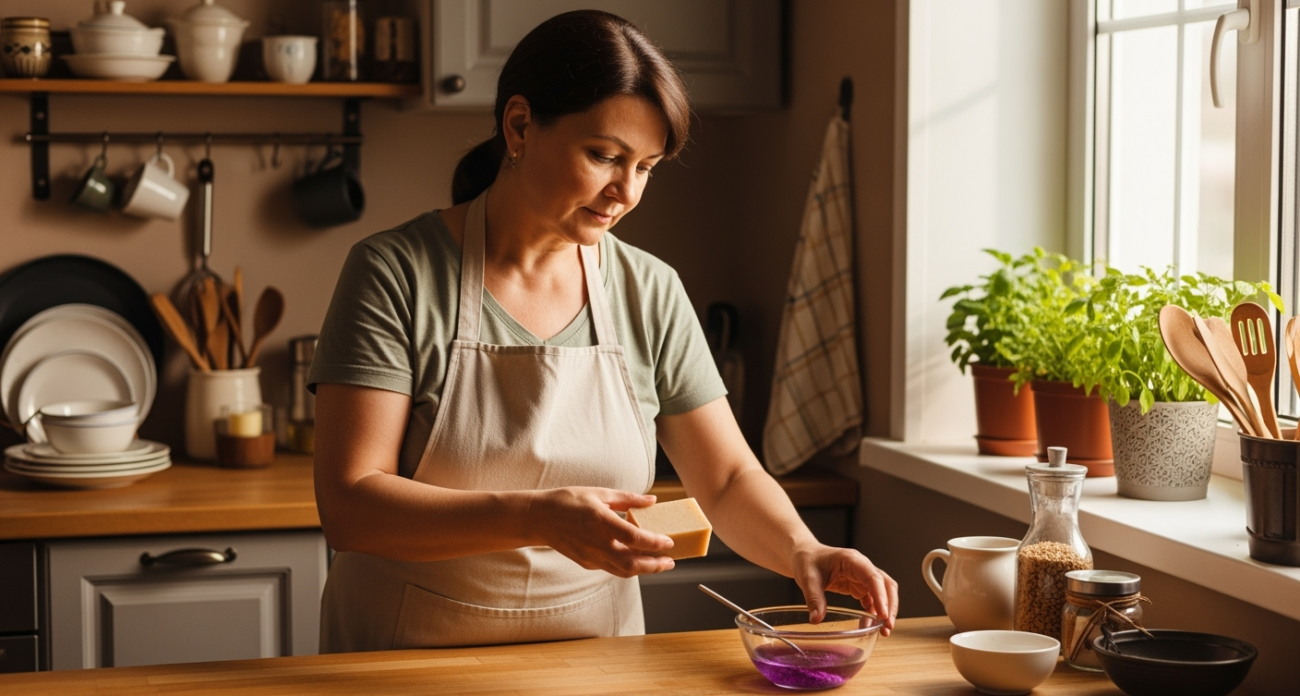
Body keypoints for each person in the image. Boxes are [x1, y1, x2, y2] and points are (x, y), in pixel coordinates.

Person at [309, 9, 899, 652]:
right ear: (520, 125)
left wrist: (802, 550)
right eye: (604, 156)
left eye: (646, 166)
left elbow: (726, 478)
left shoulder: (650, 290)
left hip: (597, 657)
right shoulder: (394, 272)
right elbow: (351, 505)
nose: (625, 191)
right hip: (407, 654)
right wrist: (538, 516)